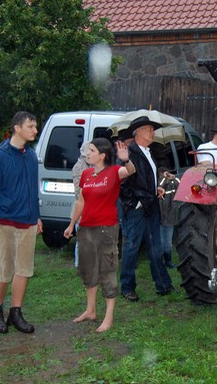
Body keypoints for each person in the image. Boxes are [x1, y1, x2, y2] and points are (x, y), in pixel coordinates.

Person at [0, 111, 42, 334]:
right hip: (4, 221)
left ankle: (15, 313)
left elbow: (32, 189)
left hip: (28, 222)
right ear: (17, 127)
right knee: (5, 270)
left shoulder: (31, 155)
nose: (35, 130)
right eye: (31, 126)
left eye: (35, 127)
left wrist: (37, 216)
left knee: (24, 270)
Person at [64, 138, 135, 332]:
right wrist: (72, 224)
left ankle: (108, 316)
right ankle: (91, 310)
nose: (88, 153)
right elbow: (81, 201)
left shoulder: (114, 172)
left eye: (92, 150)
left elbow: (130, 171)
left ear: (102, 155)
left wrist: (125, 159)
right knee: (88, 269)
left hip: (106, 229)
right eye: (88, 150)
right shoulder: (86, 174)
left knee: (106, 270)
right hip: (85, 228)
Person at [119, 116, 175, 301]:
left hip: (150, 205)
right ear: (139, 132)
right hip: (138, 208)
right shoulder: (130, 153)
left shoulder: (148, 151)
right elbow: (125, 182)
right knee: (133, 247)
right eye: (149, 129)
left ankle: (163, 285)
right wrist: (138, 201)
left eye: (152, 129)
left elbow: (145, 179)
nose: (153, 132)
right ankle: (127, 287)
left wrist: (155, 188)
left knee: (155, 247)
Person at [70, 141, 92, 268]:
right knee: (82, 238)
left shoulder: (90, 165)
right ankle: (79, 264)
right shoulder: (79, 167)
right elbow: (79, 193)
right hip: (82, 209)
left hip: (90, 208)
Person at [158, 167, 180, 268]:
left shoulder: (172, 182)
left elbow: (179, 184)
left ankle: (168, 261)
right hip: (161, 216)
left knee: (168, 242)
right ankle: (160, 262)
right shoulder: (160, 182)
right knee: (161, 241)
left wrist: (173, 177)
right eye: (165, 173)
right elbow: (160, 184)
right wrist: (165, 177)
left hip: (170, 216)